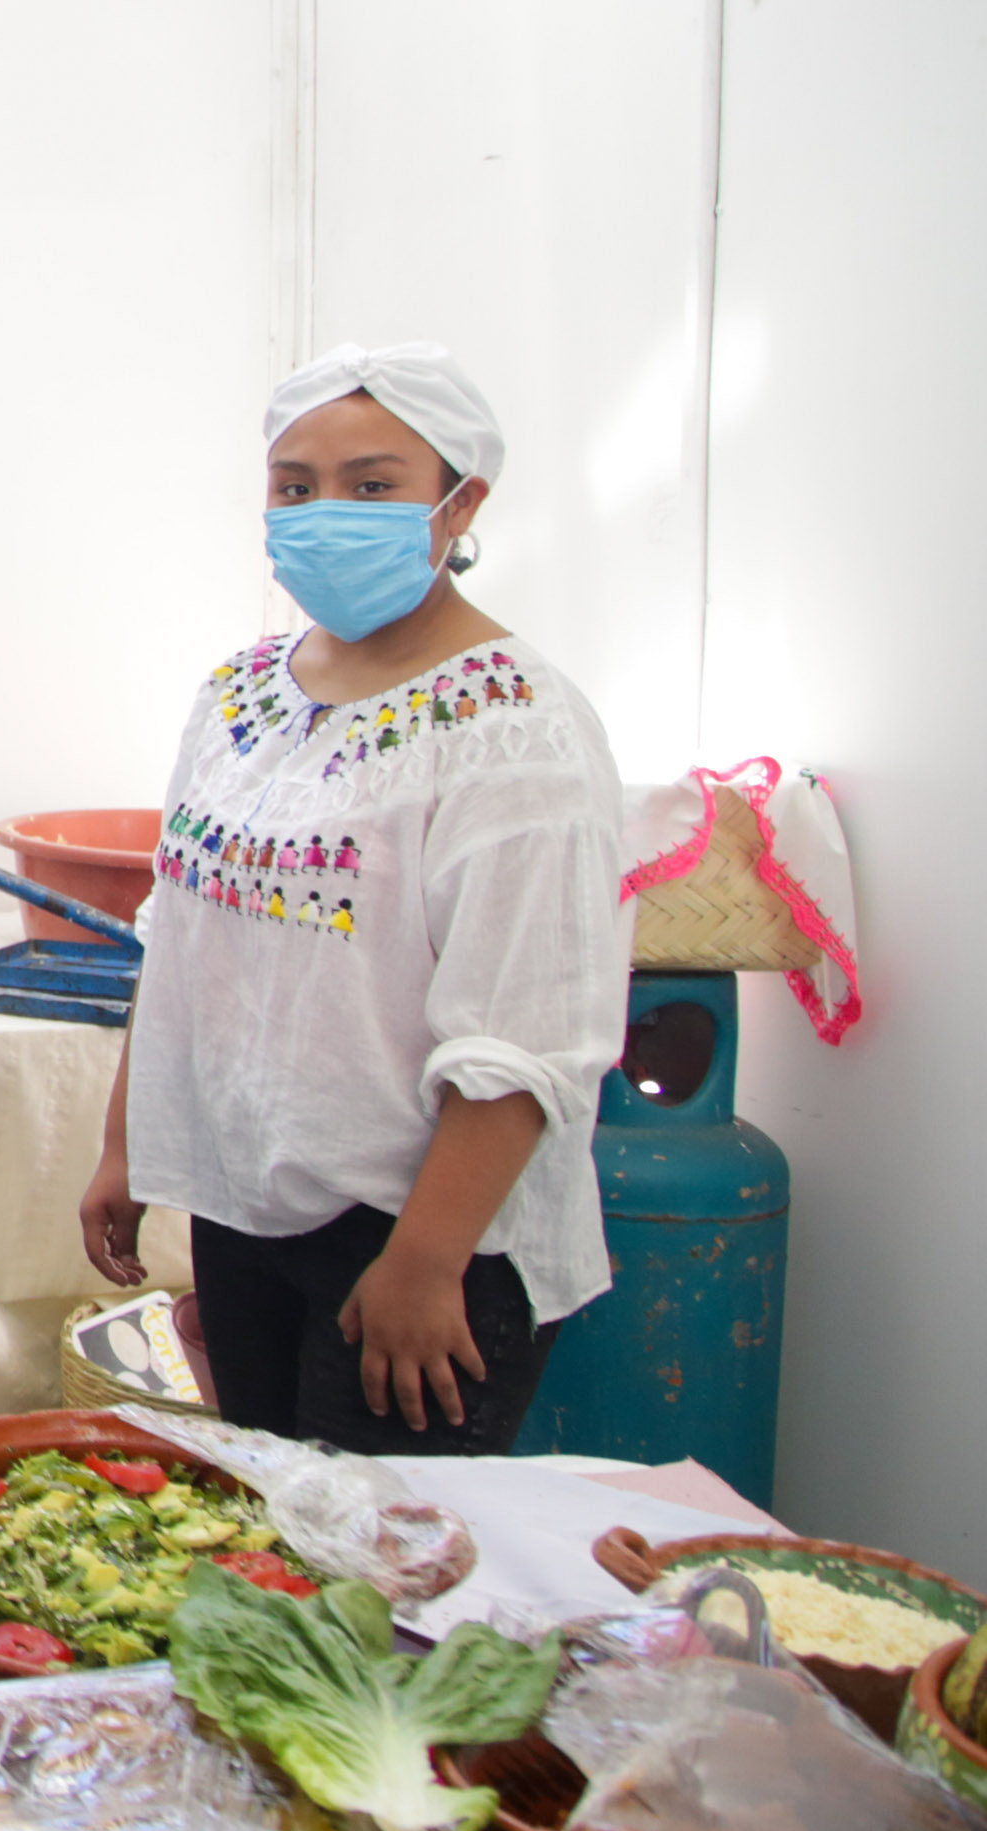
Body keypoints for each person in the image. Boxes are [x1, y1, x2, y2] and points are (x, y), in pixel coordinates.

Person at [80, 341, 629, 1454]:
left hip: (424, 1238)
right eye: (297, 486)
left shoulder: (516, 727)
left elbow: (525, 1036)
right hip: (247, 1206)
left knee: (387, 1590)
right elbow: (178, 933)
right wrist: (129, 1145)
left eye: (374, 485)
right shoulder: (240, 695)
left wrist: (426, 1264)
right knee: (277, 1548)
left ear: (461, 501)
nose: (327, 512)